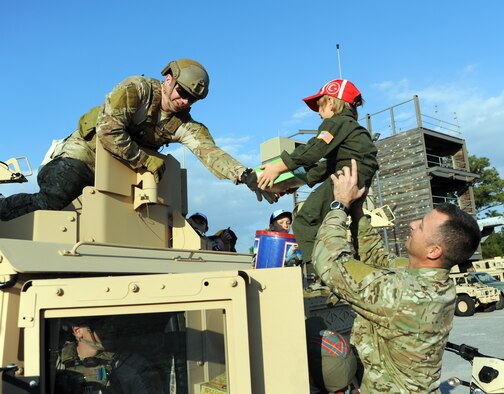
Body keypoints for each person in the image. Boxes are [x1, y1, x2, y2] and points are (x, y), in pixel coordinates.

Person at [0, 58, 276, 222]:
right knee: (53, 199)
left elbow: (209, 151)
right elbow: (109, 133)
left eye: (192, 98)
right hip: (83, 156)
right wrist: (145, 159)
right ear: (168, 78)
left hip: (118, 178)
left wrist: (246, 175)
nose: (184, 100)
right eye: (182, 91)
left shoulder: (182, 124)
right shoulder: (136, 90)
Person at [312, 159, 481, 393]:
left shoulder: (404, 294)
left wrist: (339, 205)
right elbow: (377, 258)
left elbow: (329, 263)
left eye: (421, 226)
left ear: (434, 251)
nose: (412, 224)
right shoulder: (430, 279)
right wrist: (358, 211)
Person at [257, 79, 378, 266]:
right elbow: (326, 167)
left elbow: (314, 150)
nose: (319, 114)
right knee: (356, 224)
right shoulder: (350, 129)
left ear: (331, 102)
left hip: (347, 176)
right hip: (357, 176)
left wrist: (277, 167)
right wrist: (292, 183)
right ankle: (366, 264)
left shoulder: (336, 122)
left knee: (305, 221)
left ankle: (319, 274)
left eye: (320, 107)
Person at [55, 317, 163, 393]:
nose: (110, 329)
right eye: (101, 325)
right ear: (78, 330)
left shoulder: (129, 364)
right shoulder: (55, 363)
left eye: (110, 324)